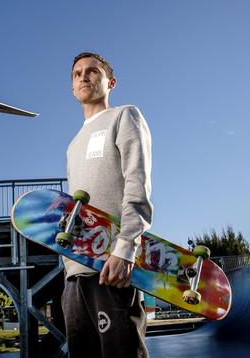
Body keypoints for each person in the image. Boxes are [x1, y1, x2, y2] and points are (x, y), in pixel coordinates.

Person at [62, 52, 152, 357]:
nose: (83, 77)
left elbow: (136, 182)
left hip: (111, 265)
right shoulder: (72, 145)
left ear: (110, 82)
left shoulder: (124, 116)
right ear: (71, 87)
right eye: (77, 74)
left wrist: (127, 246)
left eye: (92, 72)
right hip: (74, 272)